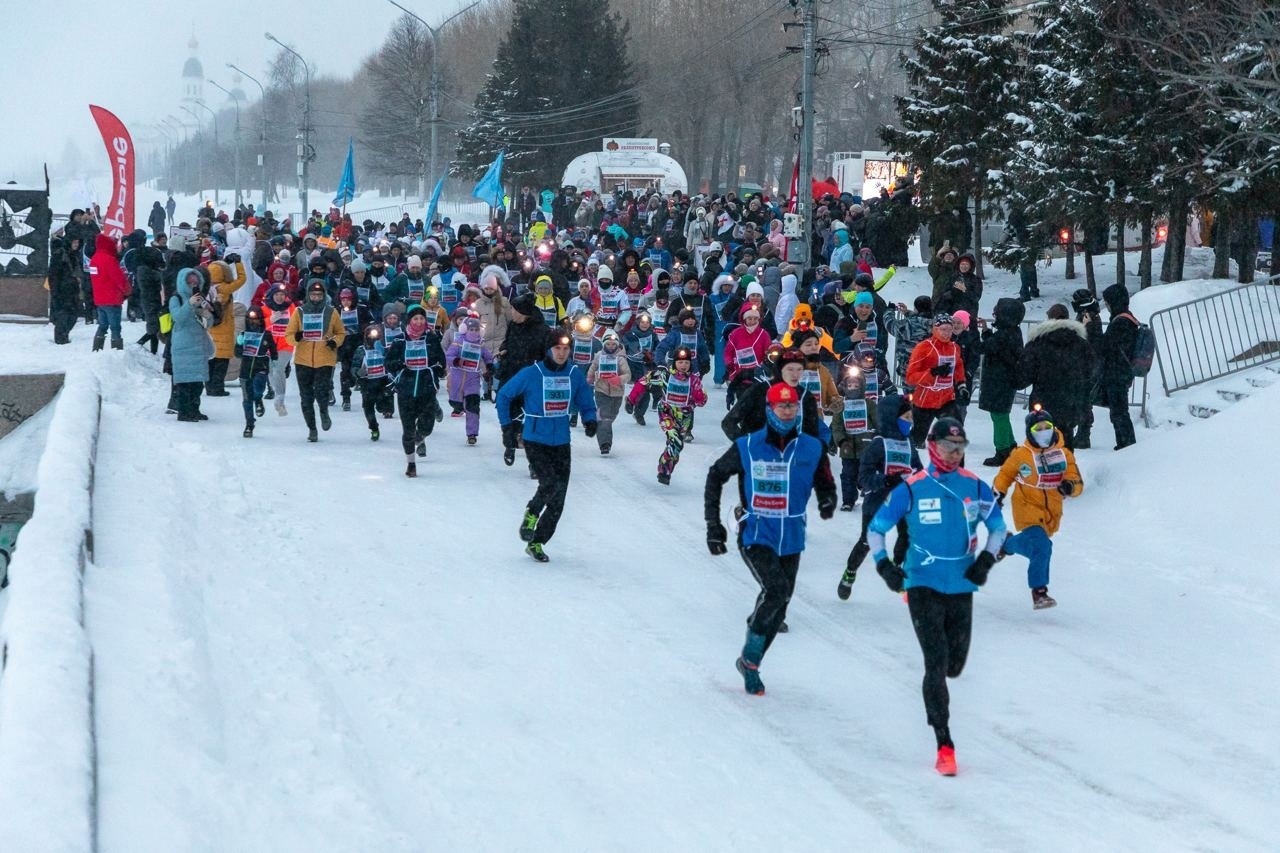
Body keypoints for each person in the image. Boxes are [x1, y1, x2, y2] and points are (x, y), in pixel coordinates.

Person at [867, 418, 1008, 776]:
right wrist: (886, 567)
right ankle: (944, 743)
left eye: (960, 448)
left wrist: (987, 560)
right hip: (922, 583)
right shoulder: (912, 488)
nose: (954, 454)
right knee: (936, 661)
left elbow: (998, 528)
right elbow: (876, 530)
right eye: (948, 447)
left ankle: (943, 720)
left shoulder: (975, 487)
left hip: (961, 585)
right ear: (932, 447)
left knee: (954, 666)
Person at [705, 382, 837, 695]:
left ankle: (751, 661)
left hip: (792, 535)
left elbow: (825, 480)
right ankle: (751, 656)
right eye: (782, 406)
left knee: (781, 604)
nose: (788, 411)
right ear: (770, 410)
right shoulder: (748, 446)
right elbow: (715, 475)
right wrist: (714, 525)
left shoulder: (811, 447)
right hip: (756, 532)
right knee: (776, 591)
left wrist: (828, 498)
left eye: (793, 406)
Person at [496, 330, 599, 562]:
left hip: (562, 441)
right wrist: (507, 427)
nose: (562, 353)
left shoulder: (573, 374)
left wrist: (590, 418)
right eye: (557, 349)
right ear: (548, 350)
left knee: (558, 498)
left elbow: (584, 396)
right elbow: (503, 395)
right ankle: (532, 512)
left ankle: (537, 542)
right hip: (535, 438)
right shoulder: (532, 373)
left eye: (565, 349)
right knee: (549, 482)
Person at [993, 406, 1084, 609]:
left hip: (1052, 510)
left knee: (1036, 546)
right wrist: (998, 493)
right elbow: (1006, 473)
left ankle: (1006, 545)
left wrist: (1070, 487)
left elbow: (1077, 481)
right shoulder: (1021, 454)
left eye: (1047, 427)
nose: (1043, 431)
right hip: (1026, 505)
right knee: (1043, 547)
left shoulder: (1064, 454)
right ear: (1030, 433)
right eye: (1038, 428)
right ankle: (1039, 592)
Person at [837, 392, 920, 600]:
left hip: (902, 501)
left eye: (911, 418)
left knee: (907, 534)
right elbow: (863, 477)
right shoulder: (878, 444)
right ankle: (850, 572)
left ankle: (898, 569)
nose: (911, 422)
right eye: (906, 418)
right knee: (867, 540)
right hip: (878, 502)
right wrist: (884, 480)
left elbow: (918, 469)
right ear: (893, 418)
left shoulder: (909, 443)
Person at [1017, 303, 1094, 453]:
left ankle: (1045, 473)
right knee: (1066, 442)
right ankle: (1066, 472)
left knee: (1041, 442)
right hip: (1070, 401)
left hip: (1043, 401)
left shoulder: (1037, 343)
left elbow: (1024, 374)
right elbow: (1090, 370)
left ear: (1049, 318)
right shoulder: (1081, 344)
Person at [627, 348, 707, 484]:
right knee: (675, 440)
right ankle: (663, 471)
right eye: (680, 362)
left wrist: (699, 396)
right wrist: (631, 400)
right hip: (667, 412)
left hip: (684, 417)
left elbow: (702, 401)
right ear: (674, 362)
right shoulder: (665, 375)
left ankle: (666, 469)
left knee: (676, 446)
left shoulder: (693, 380)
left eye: (686, 363)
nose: (683, 366)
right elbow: (643, 382)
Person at [385, 305, 447, 475]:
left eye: (422, 318)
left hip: (426, 388)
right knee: (408, 429)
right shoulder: (399, 340)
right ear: (409, 321)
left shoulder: (431, 339)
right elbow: (389, 363)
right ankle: (411, 463)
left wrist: (436, 369)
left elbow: (441, 360)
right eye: (415, 319)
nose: (419, 322)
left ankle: (421, 436)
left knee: (427, 425)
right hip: (406, 389)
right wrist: (400, 365)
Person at [284, 281, 347, 442]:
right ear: (308, 295)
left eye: (319, 295)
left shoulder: (332, 312)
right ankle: (312, 429)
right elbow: (289, 335)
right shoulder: (299, 312)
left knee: (321, 391)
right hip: (303, 359)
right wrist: (297, 338)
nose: (316, 298)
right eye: (313, 295)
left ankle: (324, 411)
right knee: (306, 397)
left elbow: (340, 332)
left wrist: (334, 342)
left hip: (325, 358)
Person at [495, 292, 552, 466]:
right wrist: (504, 350)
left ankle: (534, 463)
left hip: (532, 380)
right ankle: (510, 444)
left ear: (523, 312)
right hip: (511, 376)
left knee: (533, 420)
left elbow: (548, 356)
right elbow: (508, 343)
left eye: (514, 309)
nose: (511, 312)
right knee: (510, 414)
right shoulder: (513, 325)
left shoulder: (542, 330)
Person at [976, 298, 1026, 466]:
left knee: (999, 416)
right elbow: (993, 345)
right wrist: (986, 332)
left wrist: (971, 334)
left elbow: (986, 347)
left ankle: (1002, 450)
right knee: (1001, 415)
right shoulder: (1011, 332)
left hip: (1000, 381)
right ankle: (1010, 446)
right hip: (1004, 380)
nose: (994, 315)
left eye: (997, 312)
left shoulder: (1005, 335)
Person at [905, 314, 965, 447]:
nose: (947, 333)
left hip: (946, 398)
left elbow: (958, 366)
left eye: (950, 330)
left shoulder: (955, 348)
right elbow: (910, 377)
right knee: (917, 439)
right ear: (935, 329)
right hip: (925, 400)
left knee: (955, 430)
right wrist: (933, 372)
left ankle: (947, 460)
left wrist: (961, 384)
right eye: (943, 329)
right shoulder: (923, 347)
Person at [168, 267, 214, 421]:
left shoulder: (201, 299)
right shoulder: (176, 299)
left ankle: (194, 409)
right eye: (190, 282)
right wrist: (189, 304)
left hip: (199, 344)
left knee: (197, 383)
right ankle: (184, 412)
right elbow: (178, 317)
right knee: (185, 383)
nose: (193, 284)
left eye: (196, 282)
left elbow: (209, 323)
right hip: (183, 345)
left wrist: (207, 314)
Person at [444, 316, 496, 445]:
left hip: (473, 379)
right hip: (457, 378)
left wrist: (490, 366)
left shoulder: (481, 344)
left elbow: (488, 356)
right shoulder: (458, 342)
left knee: (473, 406)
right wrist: (456, 361)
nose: (473, 332)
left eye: (476, 329)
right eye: (471, 329)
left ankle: (472, 433)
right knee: (456, 403)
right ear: (464, 329)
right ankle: (458, 406)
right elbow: (449, 356)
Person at [1099, 284, 1139, 450]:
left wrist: (1091, 329)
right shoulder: (1127, 318)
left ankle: (1126, 445)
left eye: (1107, 303)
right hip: (1121, 371)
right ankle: (1125, 443)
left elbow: (1106, 346)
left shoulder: (1120, 322)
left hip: (1117, 372)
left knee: (1119, 412)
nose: (1106, 306)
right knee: (1119, 411)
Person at [585, 329, 631, 454]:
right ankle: (605, 444)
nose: (611, 346)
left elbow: (628, 374)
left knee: (611, 416)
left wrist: (619, 379)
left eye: (613, 344)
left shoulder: (621, 359)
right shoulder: (599, 356)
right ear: (604, 344)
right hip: (601, 390)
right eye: (608, 344)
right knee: (604, 418)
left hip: (617, 393)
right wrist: (589, 378)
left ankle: (604, 429)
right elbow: (593, 368)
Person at [1070, 289, 1106, 448]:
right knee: (1081, 401)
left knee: (1084, 402)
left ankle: (1084, 435)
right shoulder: (1089, 317)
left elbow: (1086, 342)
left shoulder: (1091, 320)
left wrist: (1084, 327)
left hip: (1087, 366)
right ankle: (1081, 434)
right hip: (1084, 365)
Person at [235, 307, 278, 438]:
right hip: (246, 368)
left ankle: (258, 399)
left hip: (261, 366)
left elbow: (273, 351)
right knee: (247, 398)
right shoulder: (243, 334)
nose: (254, 322)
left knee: (258, 388)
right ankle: (249, 424)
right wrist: (239, 344)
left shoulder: (267, 335)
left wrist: (277, 362)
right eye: (250, 320)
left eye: (257, 320)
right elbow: (237, 354)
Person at [88, 233, 131, 351]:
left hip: (100, 299)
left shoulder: (94, 259)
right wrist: (127, 290)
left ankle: (97, 349)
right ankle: (116, 351)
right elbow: (119, 278)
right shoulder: (109, 260)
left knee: (102, 325)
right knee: (115, 327)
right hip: (112, 298)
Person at [352, 325, 394, 441]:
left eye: (376, 335)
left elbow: (392, 362)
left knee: (382, 404)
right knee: (368, 407)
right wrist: (358, 372)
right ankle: (374, 428)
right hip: (367, 383)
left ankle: (386, 409)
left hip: (382, 382)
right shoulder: (361, 350)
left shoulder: (385, 349)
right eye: (370, 335)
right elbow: (354, 367)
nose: (373, 337)